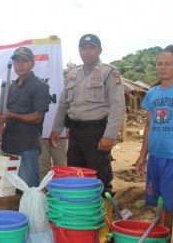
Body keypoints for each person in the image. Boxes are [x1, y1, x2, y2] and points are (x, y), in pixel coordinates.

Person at [50, 33, 125, 195]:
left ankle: (103, 214)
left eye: (92, 48)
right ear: (79, 51)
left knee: (100, 177)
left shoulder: (110, 73)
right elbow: (63, 104)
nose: (87, 52)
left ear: (99, 51)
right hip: (75, 133)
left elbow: (117, 107)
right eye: (83, 48)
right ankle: (82, 213)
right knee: (76, 174)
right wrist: (57, 129)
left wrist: (109, 135)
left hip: (97, 133)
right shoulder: (73, 73)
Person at [135, 45, 173, 229]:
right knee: (155, 199)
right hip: (155, 156)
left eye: (168, 64)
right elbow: (149, 125)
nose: (162, 67)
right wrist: (143, 155)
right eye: (159, 64)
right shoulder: (152, 93)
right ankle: (160, 232)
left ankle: (172, 234)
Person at [0, 46, 50, 188]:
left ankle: (30, 212)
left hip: (27, 147)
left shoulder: (40, 86)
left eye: (24, 61)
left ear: (32, 64)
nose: (19, 64)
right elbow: (6, 113)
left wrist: (12, 115)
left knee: (29, 189)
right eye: (16, 61)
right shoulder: (12, 86)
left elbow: (38, 117)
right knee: (10, 189)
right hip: (8, 144)